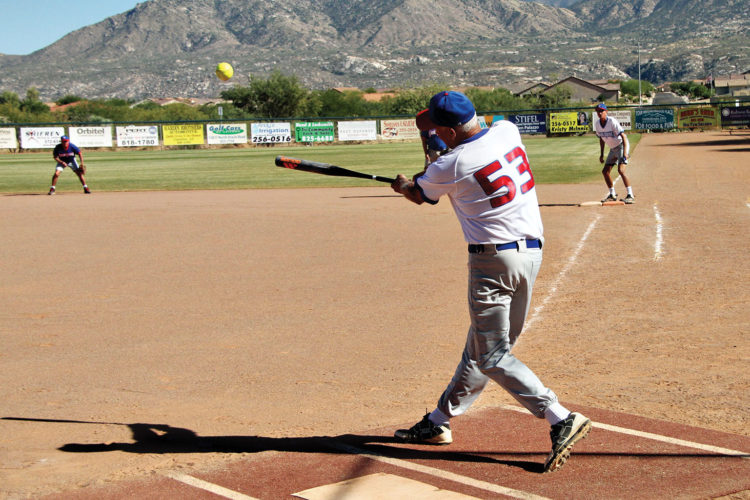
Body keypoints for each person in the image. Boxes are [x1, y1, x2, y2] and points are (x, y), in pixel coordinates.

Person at [390, 91, 591, 473]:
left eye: (439, 128)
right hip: (530, 254)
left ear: (448, 131)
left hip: (491, 262)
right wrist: (434, 135)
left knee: (492, 354)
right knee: (482, 346)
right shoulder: (507, 130)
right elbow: (453, 148)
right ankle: (437, 422)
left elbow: (420, 192)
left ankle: (559, 416)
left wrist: (403, 185)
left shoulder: (451, 163)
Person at [593, 103, 633, 203]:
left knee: (621, 171)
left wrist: (625, 153)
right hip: (612, 149)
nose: (600, 113)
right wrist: (601, 154)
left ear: (606, 112)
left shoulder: (612, 121)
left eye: (602, 111)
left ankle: (630, 195)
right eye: (598, 111)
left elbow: (623, 136)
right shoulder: (597, 124)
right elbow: (601, 139)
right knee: (605, 172)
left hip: (621, 147)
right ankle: (612, 194)